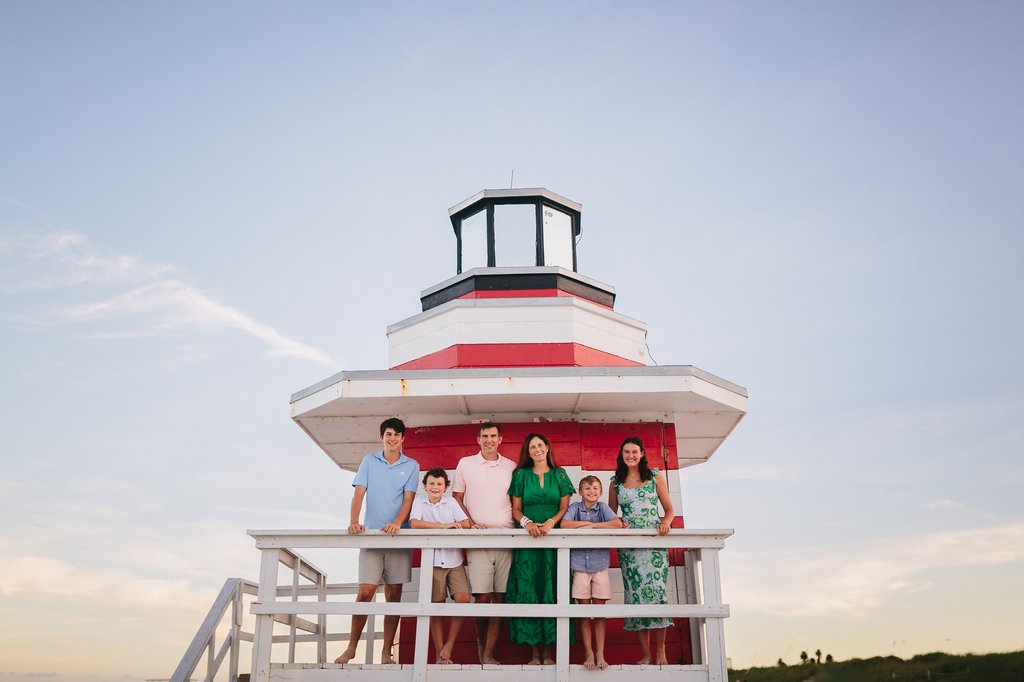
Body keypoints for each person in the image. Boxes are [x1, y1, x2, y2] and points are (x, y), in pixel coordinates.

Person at [334, 417, 419, 665]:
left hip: (398, 538)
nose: (392, 438)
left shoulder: (411, 465)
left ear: (403, 438)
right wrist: (354, 521)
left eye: (396, 434)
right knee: (365, 592)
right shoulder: (369, 461)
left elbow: (408, 500)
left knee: (393, 596)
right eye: (388, 434)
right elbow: (359, 493)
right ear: (382, 437)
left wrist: (397, 523)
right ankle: (351, 648)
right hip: (371, 536)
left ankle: (385, 652)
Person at [506, 433, 575, 665]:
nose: (536, 449)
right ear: (528, 452)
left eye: (539, 445)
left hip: (553, 539)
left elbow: (564, 507)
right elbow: (516, 509)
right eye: (532, 447)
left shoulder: (560, 474)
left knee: (553, 589)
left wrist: (550, 523)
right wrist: (527, 524)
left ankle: (549, 653)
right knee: (530, 589)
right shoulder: (521, 475)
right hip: (529, 540)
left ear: (547, 447)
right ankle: (535, 653)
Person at [451, 422, 516, 665]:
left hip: (506, 538)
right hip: (478, 540)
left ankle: (489, 652)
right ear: (478, 440)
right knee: (482, 596)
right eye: (485, 436)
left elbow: (516, 500)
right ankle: (481, 646)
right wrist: (469, 523)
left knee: (500, 597)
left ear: (500, 439)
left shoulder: (511, 466)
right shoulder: (466, 464)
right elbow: (456, 497)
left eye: (493, 436)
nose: (489, 440)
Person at [607, 436, 676, 666]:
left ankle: (661, 652)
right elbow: (610, 516)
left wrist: (665, 523)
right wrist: (620, 523)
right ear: (622, 454)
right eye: (626, 452)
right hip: (629, 547)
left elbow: (669, 510)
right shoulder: (615, 482)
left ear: (642, 453)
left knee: (657, 595)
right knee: (635, 596)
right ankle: (646, 654)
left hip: (654, 544)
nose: (631, 456)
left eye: (634, 451)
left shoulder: (655, 476)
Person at [560, 475, 624, 670]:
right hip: (579, 565)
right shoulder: (575, 508)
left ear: (601, 492)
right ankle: (588, 652)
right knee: (584, 613)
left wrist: (593, 526)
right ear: (580, 492)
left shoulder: (603, 507)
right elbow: (564, 524)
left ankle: (600, 653)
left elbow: (616, 523)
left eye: (595, 488)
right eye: (587, 488)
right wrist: (588, 525)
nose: (591, 491)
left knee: (599, 613)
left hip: (600, 565)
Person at [409, 467, 472, 664]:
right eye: (431, 483)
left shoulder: (451, 502)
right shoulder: (419, 502)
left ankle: (449, 644)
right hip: (433, 561)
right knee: (436, 606)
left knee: (463, 599)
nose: (435, 487)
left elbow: (466, 523)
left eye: (439, 484)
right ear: (425, 486)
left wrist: (455, 525)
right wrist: (444, 527)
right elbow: (414, 523)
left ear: (445, 487)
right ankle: (439, 654)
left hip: (454, 559)